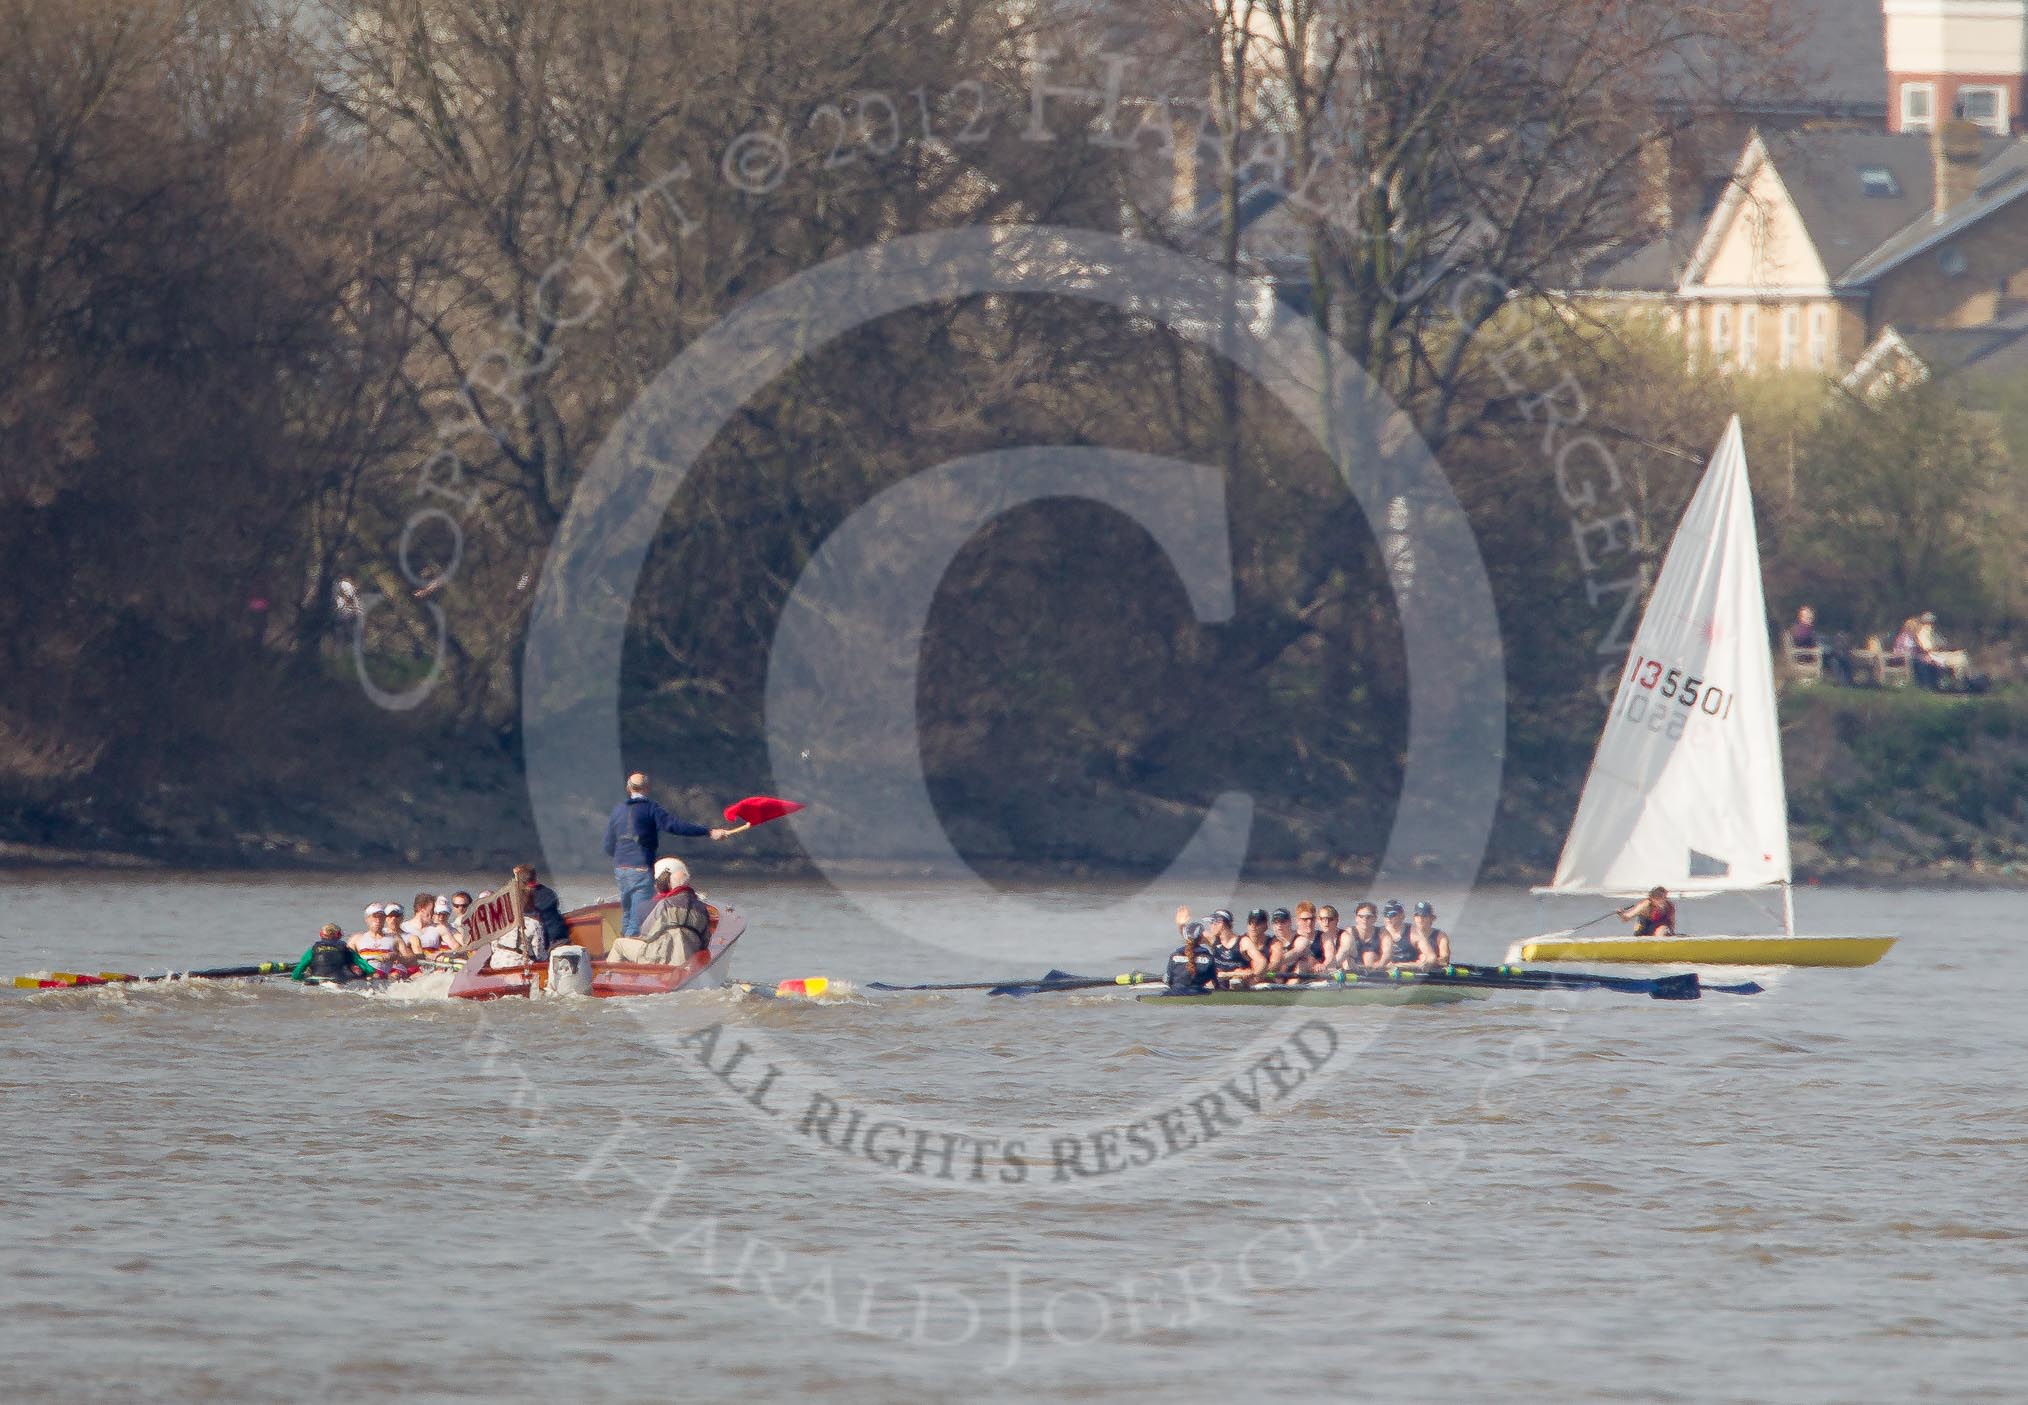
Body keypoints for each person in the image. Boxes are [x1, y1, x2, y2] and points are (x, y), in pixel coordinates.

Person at [603, 774, 731, 940]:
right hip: (641, 869)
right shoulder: (651, 809)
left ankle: (621, 951)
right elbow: (674, 826)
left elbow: (608, 845)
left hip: (621, 869)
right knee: (636, 922)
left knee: (627, 915)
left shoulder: (618, 810)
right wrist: (708, 832)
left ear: (628, 788)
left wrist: (622, 857)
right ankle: (629, 959)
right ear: (647, 788)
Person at [611, 858, 712, 965]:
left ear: (669, 884)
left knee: (619, 944)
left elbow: (647, 933)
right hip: (689, 959)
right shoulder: (702, 909)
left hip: (661, 956)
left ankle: (611, 976)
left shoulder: (666, 904)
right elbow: (705, 941)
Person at [513, 864, 570, 961]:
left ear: (520, 881)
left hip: (548, 943)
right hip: (562, 937)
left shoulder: (524, 899)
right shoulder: (549, 892)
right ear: (535, 877)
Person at [291, 923, 379, 983]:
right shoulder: (346, 949)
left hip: (316, 982)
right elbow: (368, 969)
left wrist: (302, 978)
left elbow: (296, 974)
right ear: (339, 935)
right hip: (338, 982)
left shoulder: (312, 950)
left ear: (321, 935)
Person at [1164, 912, 1219, 992]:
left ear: (1185, 937)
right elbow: (1214, 982)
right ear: (1201, 937)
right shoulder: (1208, 957)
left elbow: (1169, 980)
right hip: (1199, 994)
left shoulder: (1174, 956)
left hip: (1176, 993)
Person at [1378, 900, 1436, 967]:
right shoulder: (1379, 932)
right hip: (1383, 971)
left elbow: (1431, 957)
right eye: (1386, 914)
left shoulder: (1414, 932)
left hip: (1408, 972)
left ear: (1402, 915)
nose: (1388, 918)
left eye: (1392, 914)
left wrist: (1400, 965)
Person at [1409, 901, 1451, 966]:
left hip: (1433, 971)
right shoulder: (1408, 934)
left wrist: (1428, 960)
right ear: (1413, 918)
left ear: (1432, 918)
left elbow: (1445, 958)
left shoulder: (1441, 936)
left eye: (1424, 916)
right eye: (1417, 915)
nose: (1420, 919)